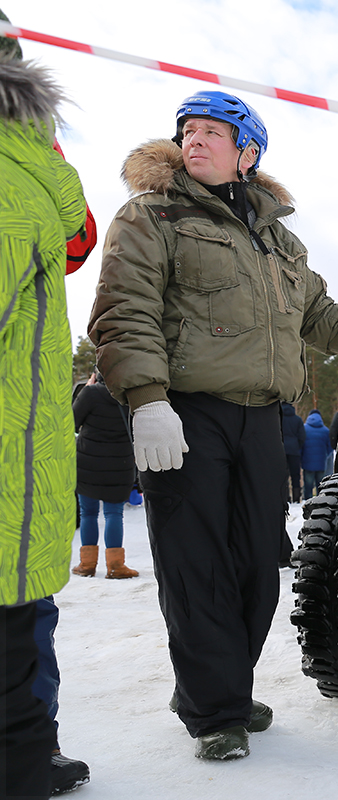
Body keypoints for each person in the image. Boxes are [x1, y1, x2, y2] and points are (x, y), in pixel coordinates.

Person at [87, 90, 338, 760]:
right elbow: (122, 309)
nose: (195, 139)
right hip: (187, 413)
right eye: (188, 129)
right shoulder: (152, 214)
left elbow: (320, 316)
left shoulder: (278, 240)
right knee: (197, 565)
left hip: (262, 420)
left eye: (215, 131)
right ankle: (214, 709)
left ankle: (226, 688)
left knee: (256, 566)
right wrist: (149, 399)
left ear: (248, 153)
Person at [1, 42, 89, 798]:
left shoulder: (16, 185)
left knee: (24, 625)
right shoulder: (18, 183)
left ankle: (32, 754)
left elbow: (76, 241)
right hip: (17, 476)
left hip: (24, 473)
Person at [71, 370, 138, 579]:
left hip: (88, 462)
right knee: (114, 513)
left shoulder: (90, 394)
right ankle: (116, 566)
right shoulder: (131, 395)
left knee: (88, 513)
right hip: (121, 462)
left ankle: (87, 564)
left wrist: (86, 390)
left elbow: (71, 422)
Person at [301, 409, 333, 500]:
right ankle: (320, 502)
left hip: (307, 463)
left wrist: (302, 458)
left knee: (308, 485)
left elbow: (301, 445)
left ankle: (307, 501)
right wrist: (325, 456)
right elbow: (330, 447)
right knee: (320, 485)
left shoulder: (304, 429)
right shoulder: (326, 430)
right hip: (321, 463)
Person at [279, 401, 305, 503]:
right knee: (295, 475)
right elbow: (302, 437)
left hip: (281, 450)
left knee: (283, 475)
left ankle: (285, 497)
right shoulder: (297, 420)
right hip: (294, 450)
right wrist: (297, 446)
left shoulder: (278, 418)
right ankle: (296, 497)